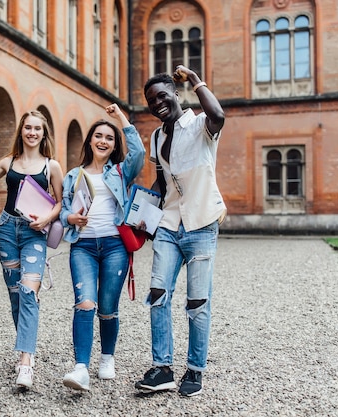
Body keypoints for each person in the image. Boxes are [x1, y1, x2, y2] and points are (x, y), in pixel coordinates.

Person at [134, 65, 226, 397]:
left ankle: (195, 370)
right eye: (150, 100)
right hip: (170, 226)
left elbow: (219, 114)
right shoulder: (157, 137)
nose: (157, 102)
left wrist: (195, 79)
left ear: (175, 93)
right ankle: (162, 369)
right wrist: (145, 214)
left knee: (197, 302)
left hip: (201, 224)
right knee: (158, 296)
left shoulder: (202, 124)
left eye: (162, 95)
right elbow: (162, 182)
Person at [59, 103, 145, 391]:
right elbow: (62, 212)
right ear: (90, 141)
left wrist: (121, 118)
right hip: (82, 246)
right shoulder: (73, 175)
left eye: (109, 138)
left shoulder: (120, 172)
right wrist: (70, 217)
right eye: (98, 136)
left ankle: (107, 357)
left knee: (107, 307)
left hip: (114, 246)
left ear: (113, 144)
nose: (103, 141)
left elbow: (140, 154)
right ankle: (81, 367)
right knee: (85, 303)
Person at [0, 110, 64, 389]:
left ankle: (25, 362)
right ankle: (25, 346)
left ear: (43, 133)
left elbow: (61, 201)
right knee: (16, 295)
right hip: (6, 230)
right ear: (22, 131)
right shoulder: (9, 162)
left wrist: (47, 218)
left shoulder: (51, 166)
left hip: (34, 233)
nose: (32, 132)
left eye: (37, 129)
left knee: (29, 292)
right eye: (27, 128)